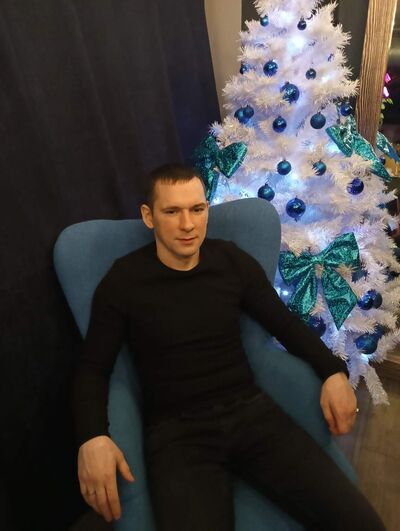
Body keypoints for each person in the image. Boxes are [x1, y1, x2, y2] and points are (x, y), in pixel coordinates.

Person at [73, 164, 385, 531]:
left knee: (362, 523)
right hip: (178, 436)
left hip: (252, 414)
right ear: (148, 216)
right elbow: (92, 370)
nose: (188, 224)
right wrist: (92, 437)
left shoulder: (230, 261)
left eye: (197, 209)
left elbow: (283, 323)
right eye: (172, 211)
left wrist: (332, 372)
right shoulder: (123, 281)